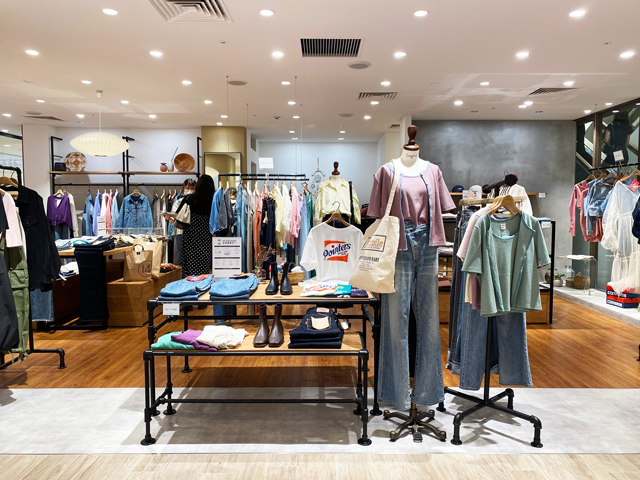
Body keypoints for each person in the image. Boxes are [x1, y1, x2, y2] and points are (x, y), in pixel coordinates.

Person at [165, 175, 215, 278]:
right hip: (205, 238)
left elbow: (177, 214)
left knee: (189, 268)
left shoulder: (190, 199)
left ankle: (188, 286)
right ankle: (202, 285)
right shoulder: (212, 201)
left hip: (190, 239)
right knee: (203, 267)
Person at [169, 178, 196, 266]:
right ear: (183, 189)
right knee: (179, 260)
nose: (190, 191)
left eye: (192, 189)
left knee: (192, 260)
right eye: (187, 188)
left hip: (193, 233)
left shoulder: (196, 203)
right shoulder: (178, 202)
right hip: (180, 233)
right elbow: (174, 216)